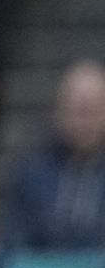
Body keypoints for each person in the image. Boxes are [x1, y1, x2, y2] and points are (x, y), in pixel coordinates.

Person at [8, 60, 105, 252]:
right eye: (78, 111)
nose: (85, 122)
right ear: (59, 111)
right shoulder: (30, 172)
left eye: (93, 111)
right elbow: (16, 241)